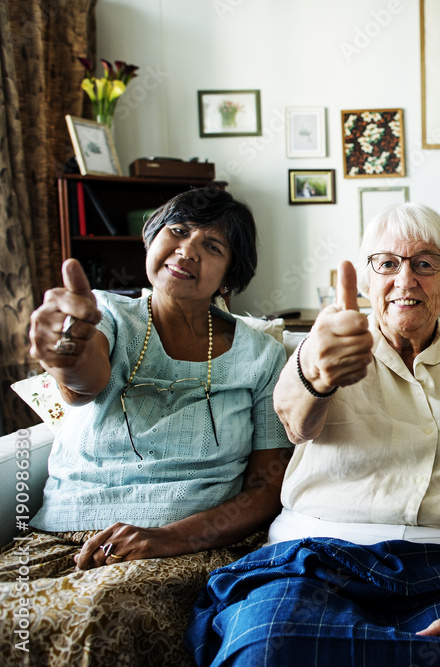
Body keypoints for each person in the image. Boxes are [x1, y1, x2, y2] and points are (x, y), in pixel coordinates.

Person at [185, 203, 440, 667]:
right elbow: (296, 420)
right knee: (267, 646)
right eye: (387, 264)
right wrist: (318, 373)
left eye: (425, 264)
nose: (406, 279)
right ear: (369, 281)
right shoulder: (331, 342)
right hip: (318, 556)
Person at [0, 187, 293, 665]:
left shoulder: (260, 355)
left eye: (212, 246)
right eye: (177, 231)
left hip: (188, 544)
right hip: (59, 537)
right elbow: (84, 383)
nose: (188, 249)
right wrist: (66, 352)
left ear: (229, 275)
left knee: (98, 618)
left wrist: (171, 537)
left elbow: (267, 485)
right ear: (152, 239)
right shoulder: (107, 314)